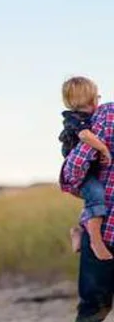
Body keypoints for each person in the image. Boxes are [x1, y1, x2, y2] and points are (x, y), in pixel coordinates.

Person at [61, 95, 114, 322]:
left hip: (105, 233)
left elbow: (76, 167)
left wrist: (73, 184)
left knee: (92, 310)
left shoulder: (108, 114)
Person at [59, 76, 112, 260]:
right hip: (82, 172)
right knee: (97, 195)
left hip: (89, 169)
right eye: (96, 97)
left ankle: (79, 232)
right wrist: (104, 149)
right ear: (90, 100)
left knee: (93, 200)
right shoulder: (76, 119)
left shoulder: (90, 117)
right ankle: (95, 241)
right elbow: (85, 136)